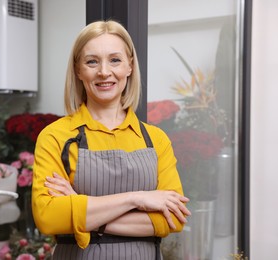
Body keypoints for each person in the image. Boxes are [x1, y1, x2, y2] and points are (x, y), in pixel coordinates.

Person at [32, 20, 191, 260]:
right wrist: (136, 198)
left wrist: (79, 208)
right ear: (78, 70)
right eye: (92, 61)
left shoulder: (155, 139)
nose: (104, 71)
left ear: (129, 66)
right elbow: (48, 217)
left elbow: (172, 219)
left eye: (115, 60)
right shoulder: (55, 136)